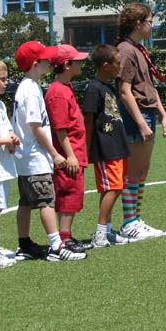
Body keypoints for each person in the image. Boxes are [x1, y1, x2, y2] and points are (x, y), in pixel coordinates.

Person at [12, 41, 86, 261]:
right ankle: (56, 246)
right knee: (46, 201)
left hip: (25, 157)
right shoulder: (31, 90)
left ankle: (24, 243)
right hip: (35, 157)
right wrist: (54, 153)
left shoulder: (26, 86)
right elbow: (36, 126)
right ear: (36, 63)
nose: (49, 62)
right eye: (45, 59)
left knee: (26, 202)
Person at [115, 3, 166, 240]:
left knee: (142, 170)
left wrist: (163, 114)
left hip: (148, 112)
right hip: (136, 115)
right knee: (134, 171)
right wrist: (140, 122)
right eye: (149, 21)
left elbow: (150, 86)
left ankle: (135, 218)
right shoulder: (126, 50)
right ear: (138, 24)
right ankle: (129, 222)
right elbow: (124, 90)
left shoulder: (138, 49)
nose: (152, 26)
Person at [82, 44, 132, 247]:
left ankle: (108, 231)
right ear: (105, 65)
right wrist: (86, 149)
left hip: (118, 144)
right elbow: (88, 120)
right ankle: (100, 233)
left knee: (116, 187)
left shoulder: (109, 87)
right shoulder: (93, 88)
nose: (120, 67)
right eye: (117, 63)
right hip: (105, 147)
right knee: (112, 188)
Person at [45, 44, 92, 253]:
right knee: (68, 193)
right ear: (66, 65)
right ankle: (64, 237)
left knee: (74, 193)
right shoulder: (57, 92)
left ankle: (67, 235)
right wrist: (70, 155)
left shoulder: (65, 87)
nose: (81, 64)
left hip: (76, 151)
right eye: (77, 61)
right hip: (69, 154)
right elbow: (60, 128)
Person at [0, 60, 20, 269]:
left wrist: (12, 138)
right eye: (2, 79)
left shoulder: (1, 105)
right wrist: (6, 140)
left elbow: (6, 129)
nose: (6, 83)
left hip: (3, 166)